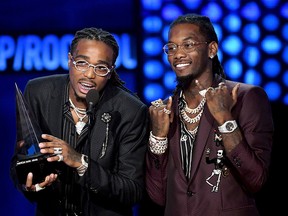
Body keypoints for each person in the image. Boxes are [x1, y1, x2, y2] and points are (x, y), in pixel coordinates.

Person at [10, 27, 149, 216]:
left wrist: (80, 162)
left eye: (100, 67)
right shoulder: (38, 92)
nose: (89, 75)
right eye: (82, 63)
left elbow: (132, 191)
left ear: (110, 71)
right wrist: (31, 182)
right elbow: (21, 158)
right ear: (69, 60)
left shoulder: (130, 111)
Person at [145, 13, 274, 216]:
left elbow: (256, 180)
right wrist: (157, 138)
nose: (177, 54)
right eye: (171, 47)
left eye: (188, 45)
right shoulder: (164, 110)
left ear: (211, 49)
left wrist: (225, 119)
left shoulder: (246, 97)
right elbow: (158, 196)